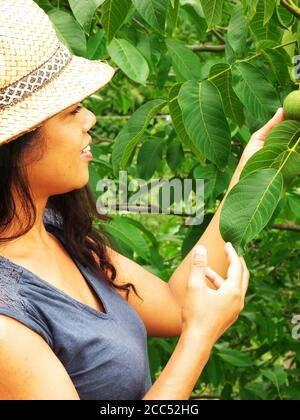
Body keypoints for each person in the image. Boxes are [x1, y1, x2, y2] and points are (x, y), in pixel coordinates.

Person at [0, 0, 285, 400]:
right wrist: (200, 339)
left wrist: (253, 170)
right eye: (72, 110)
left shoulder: (53, 229)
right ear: (17, 145)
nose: (90, 120)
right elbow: (190, 321)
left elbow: (174, 303)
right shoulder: (5, 322)